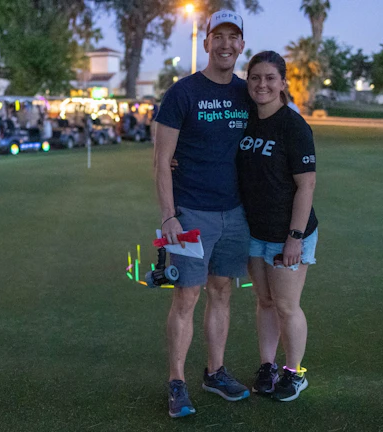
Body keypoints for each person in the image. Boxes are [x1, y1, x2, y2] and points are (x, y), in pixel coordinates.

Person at [153, 10, 253, 418]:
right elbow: (161, 161)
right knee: (186, 297)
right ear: (206, 41)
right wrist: (168, 216)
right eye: (219, 36)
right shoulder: (182, 93)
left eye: (234, 37)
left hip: (236, 214)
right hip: (191, 214)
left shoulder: (250, 92)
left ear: (241, 45)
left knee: (223, 292)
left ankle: (215, 372)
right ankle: (176, 382)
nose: (226, 44)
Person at [236, 51, 318, 402]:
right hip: (255, 232)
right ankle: (267, 366)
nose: (262, 84)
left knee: (287, 305)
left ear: (283, 82)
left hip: (289, 234)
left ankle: (294, 372)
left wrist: (294, 238)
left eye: (270, 78)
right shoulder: (246, 121)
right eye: (255, 77)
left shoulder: (293, 126)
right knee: (265, 301)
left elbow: (307, 186)